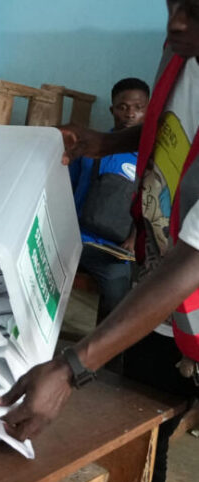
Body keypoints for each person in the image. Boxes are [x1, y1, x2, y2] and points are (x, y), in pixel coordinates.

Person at [0, 0, 199, 482]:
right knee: (145, 432)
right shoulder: (184, 50)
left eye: (195, 8)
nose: (174, 19)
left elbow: (192, 262)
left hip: (185, 295)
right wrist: (106, 143)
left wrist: (71, 368)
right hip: (155, 293)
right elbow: (173, 128)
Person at [70, 78, 149, 326]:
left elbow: (149, 203)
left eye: (139, 107)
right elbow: (67, 191)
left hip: (113, 249)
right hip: (75, 240)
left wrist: (135, 239)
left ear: (149, 110)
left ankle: (106, 361)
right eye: (123, 107)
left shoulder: (148, 158)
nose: (130, 114)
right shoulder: (91, 149)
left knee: (118, 305)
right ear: (112, 109)